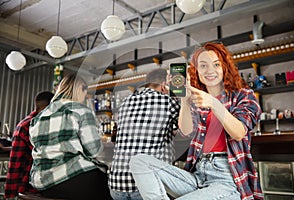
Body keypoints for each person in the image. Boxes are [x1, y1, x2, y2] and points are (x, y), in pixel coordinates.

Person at [129, 42, 264, 200]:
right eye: (203, 66)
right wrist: (185, 101)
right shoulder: (197, 100)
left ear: (225, 67)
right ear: (197, 71)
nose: (210, 70)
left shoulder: (243, 95)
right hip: (197, 174)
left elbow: (239, 132)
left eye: (216, 64)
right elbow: (186, 131)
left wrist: (214, 103)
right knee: (139, 161)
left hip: (227, 179)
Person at [29, 73, 112, 200]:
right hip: (73, 179)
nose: (85, 97)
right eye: (85, 93)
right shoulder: (81, 110)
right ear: (80, 89)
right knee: (113, 187)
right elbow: (94, 151)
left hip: (43, 184)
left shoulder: (39, 116)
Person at [108, 68, 181, 200]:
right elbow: (188, 129)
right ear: (165, 84)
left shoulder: (126, 101)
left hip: (116, 184)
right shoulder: (169, 101)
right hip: (146, 185)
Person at [4, 91, 54, 199]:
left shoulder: (44, 125)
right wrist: (10, 195)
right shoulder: (26, 127)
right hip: (29, 188)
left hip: (43, 186)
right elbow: (15, 163)